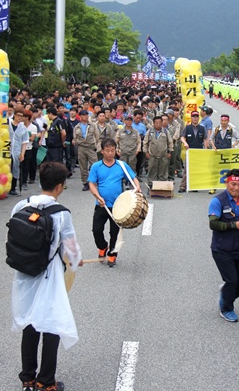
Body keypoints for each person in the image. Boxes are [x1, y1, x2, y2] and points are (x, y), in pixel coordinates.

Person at [10, 162, 82, 391]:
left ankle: (27, 378)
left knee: (30, 323)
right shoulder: (60, 214)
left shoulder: (21, 205)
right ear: (60, 187)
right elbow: (70, 249)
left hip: (23, 272)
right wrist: (76, 258)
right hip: (48, 275)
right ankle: (46, 381)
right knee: (52, 324)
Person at [208, 169, 239, 323]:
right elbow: (213, 224)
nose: (236, 188)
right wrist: (235, 225)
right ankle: (226, 308)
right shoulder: (217, 201)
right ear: (226, 183)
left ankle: (227, 294)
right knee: (232, 281)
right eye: (233, 184)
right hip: (222, 250)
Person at [88, 138, 141, 268]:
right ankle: (102, 246)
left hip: (118, 206)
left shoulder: (121, 165)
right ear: (102, 151)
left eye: (112, 150)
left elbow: (133, 178)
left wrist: (137, 187)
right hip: (101, 205)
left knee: (114, 232)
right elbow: (91, 184)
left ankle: (112, 254)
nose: (110, 153)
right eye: (107, 151)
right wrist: (97, 196)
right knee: (96, 229)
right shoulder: (96, 166)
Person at [209, 114, 239, 194]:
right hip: (217, 153)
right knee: (215, 171)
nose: (223, 122)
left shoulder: (231, 130)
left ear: (228, 121)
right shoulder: (216, 129)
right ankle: (213, 187)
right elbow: (211, 138)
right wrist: (213, 147)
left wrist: (233, 146)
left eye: (225, 121)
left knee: (227, 171)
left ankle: (229, 188)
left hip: (227, 154)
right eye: (222, 121)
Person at [178, 111, 208, 193]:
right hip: (190, 151)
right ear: (191, 118)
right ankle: (183, 186)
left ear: (199, 118)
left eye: (196, 116)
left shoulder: (202, 128)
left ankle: (194, 185)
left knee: (196, 169)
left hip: (198, 152)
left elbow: (205, 139)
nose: (195, 118)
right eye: (193, 116)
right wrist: (185, 143)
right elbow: (182, 137)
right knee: (187, 169)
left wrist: (205, 149)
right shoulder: (187, 128)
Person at [143, 116, 173, 187]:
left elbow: (170, 142)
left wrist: (170, 152)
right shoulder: (150, 131)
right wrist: (146, 152)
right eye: (156, 123)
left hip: (163, 155)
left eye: (160, 122)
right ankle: (151, 186)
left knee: (163, 172)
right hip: (152, 155)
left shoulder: (165, 131)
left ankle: (162, 187)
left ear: (162, 123)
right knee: (152, 172)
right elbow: (145, 142)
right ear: (153, 123)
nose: (158, 124)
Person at [9, 110, 29, 196]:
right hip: (7, 150)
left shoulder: (23, 128)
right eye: (18, 115)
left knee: (15, 169)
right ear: (14, 115)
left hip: (17, 151)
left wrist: (22, 153)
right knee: (7, 169)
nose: (19, 117)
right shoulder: (8, 125)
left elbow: (25, 142)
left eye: (21, 116)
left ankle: (13, 188)